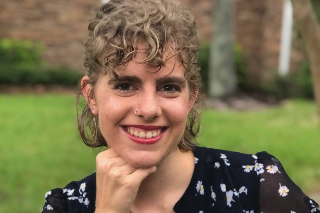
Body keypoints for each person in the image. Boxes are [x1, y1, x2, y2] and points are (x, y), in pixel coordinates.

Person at [42, 0, 320, 212]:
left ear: (191, 98)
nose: (149, 109)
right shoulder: (66, 206)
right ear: (91, 96)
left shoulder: (259, 186)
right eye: (125, 85)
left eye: (169, 87)